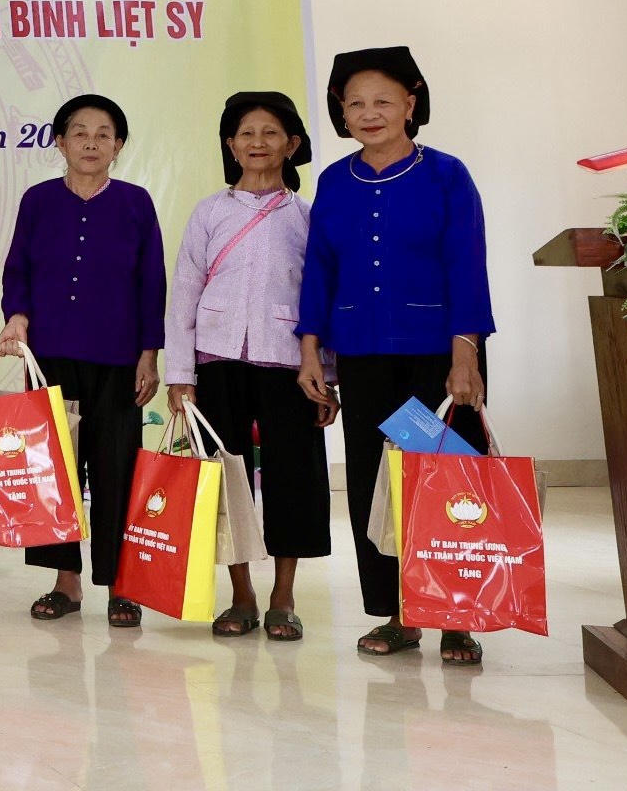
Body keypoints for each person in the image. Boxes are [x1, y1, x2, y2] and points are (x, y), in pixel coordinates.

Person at [298, 46, 495, 667]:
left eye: (383, 100)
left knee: (448, 484)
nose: (369, 113)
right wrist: (310, 351)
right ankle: (398, 613)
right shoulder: (335, 182)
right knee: (375, 484)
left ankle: (457, 617)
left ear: (410, 104)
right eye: (355, 103)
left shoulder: (447, 175)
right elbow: (318, 272)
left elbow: (467, 264)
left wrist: (466, 354)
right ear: (342, 113)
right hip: (364, 356)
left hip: (438, 357)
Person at [164, 90, 331, 641]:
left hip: (289, 364)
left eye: (270, 133)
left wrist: (327, 375)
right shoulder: (209, 212)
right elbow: (184, 293)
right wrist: (180, 374)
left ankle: (284, 596)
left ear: (292, 144)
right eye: (246, 134)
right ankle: (241, 594)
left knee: (294, 478)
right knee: (225, 480)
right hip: (217, 364)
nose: (257, 143)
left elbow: (322, 298)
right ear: (231, 146)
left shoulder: (308, 217)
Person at [0, 94, 167, 627]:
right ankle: (64, 582)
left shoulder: (136, 202)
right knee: (53, 470)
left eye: (103, 134)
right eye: (79, 132)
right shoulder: (38, 200)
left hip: (118, 359)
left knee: (117, 469)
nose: (91, 143)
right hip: (49, 357)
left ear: (118, 145)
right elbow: (18, 269)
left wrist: (149, 354)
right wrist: (17, 316)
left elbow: (151, 281)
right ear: (60, 141)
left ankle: (121, 584)